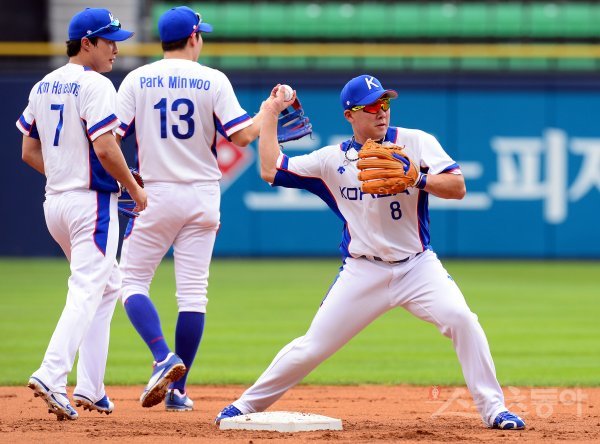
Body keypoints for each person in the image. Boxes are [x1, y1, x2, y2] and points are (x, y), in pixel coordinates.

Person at [215, 75, 526, 431]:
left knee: (462, 320)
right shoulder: (332, 160)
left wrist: (417, 178)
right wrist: (270, 112)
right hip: (363, 271)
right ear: (350, 115)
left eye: (385, 103)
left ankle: (495, 410)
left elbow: (458, 187)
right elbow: (271, 169)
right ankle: (244, 405)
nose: (382, 112)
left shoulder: (415, 142)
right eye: (372, 106)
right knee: (313, 346)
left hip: (417, 267)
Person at [115, 6, 276, 412]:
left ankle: (162, 356)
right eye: (200, 34)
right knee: (193, 295)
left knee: (130, 282)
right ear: (193, 38)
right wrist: (267, 112)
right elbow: (242, 136)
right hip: (203, 195)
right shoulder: (213, 79)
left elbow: (110, 137)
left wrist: (125, 181)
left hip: (155, 192)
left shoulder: (137, 78)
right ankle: (177, 391)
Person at [16, 8, 147, 421]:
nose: (115, 49)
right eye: (109, 41)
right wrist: (134, 188)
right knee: (88, 287)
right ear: (86, 43)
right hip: (91, 205)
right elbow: (106, 148)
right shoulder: (96, 84)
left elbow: (28, 151)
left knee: (108, 286)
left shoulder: (43, 84)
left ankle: (92, 388)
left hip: (56, 204)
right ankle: (52, 373)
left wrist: (65, 173)